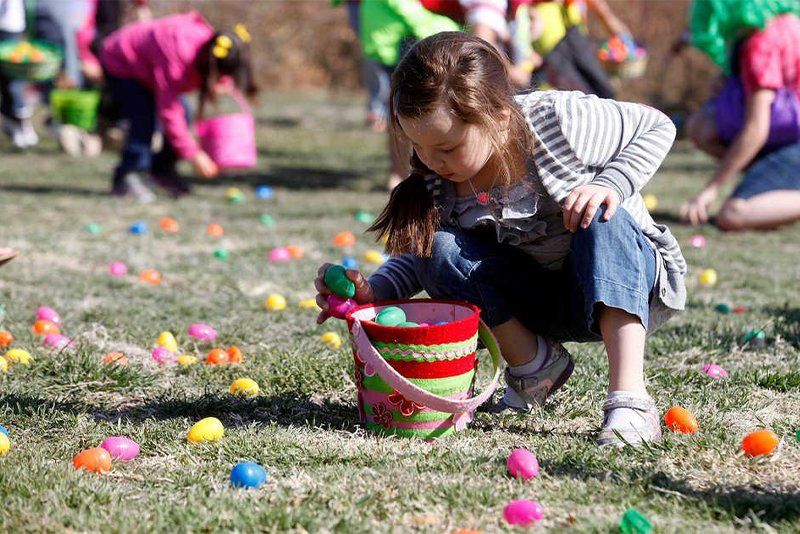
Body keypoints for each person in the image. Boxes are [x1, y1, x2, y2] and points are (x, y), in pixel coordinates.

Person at [315, 33, 684, 447]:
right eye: (416, 145)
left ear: (499, 117)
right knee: (439, 246)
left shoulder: (557, 121)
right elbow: (425, 258)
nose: (430, 161)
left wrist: (610, 184)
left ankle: (630, 400)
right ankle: (534, 366)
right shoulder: (440, 181)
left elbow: (657, 125)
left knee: (599, 215)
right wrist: (373, 291)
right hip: (540, 300)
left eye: (447, 147)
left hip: (622, 285)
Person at [99, 12, 257, 201]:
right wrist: (194, 154)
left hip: (150, 66)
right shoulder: (177, 59)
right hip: (122, 60)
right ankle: (128, 176)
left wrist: (220, 83)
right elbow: (169, 113)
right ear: (212, 65)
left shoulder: (211, 49)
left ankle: (161, 169)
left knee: (186, 116)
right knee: (144, 120)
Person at [681, 0, 800, 230]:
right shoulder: (788, 23)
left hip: (794, 145)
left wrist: (711, 189)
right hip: (789, 137)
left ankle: (773, 192)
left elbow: (757, 128)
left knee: (733, 215)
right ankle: (768, 185)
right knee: (702, 126)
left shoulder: (761, 44)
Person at [359, 0, 460, 190]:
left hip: (408, 37)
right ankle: (400, 174)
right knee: (400, 117)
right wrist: (439, 27)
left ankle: (405, 174)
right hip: (403, 40)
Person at [528, 0, 631, 97]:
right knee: (582, 97)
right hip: (550, 46)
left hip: (574, 35)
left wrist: (623, 37)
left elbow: (601, 10)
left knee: (604, 90)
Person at [0, 0, 35, 149]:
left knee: (14, 81)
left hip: (12, 28)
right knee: (6, 82)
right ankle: (12, 123)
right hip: (10, 27)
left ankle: (21, 125)